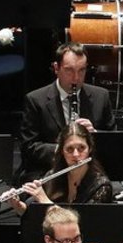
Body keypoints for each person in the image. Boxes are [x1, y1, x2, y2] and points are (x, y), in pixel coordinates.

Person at [19, 42, 116, 178]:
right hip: (49, 172)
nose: (76, 78)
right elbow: (28, 147)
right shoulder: (35, 100)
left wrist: (95, 135)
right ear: (56, 68)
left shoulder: (101, 96)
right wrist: (64, 150)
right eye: (69, 70)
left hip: (90, 172)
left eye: (81, 70)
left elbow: (115, 143)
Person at [2, 123, 116, 214]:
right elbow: (35, 216)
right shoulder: (52, 175)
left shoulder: (101, 186)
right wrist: (19, 206)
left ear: (90, 149)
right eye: (69, 149)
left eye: (81, 148)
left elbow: (83, 226)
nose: (76, 155)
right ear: (62, 151)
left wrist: (44, 200)